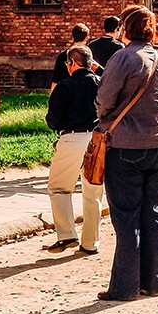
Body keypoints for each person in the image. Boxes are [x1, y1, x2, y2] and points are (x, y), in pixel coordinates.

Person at [95, 6, 158, 302]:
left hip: (127, 145)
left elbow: (105, 99)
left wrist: (104, 115)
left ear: (125, 30)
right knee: (153, 211)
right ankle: (153, 281)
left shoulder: (123, 57)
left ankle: (124, 286)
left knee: (127, 216)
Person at [44, 45, 105, 255]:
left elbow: (53, 120)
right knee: (93, 192)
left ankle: (67, 234)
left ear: (71, 63)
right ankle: (90, 243)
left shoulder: (64, 86)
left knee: (59, 188)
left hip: (71, 138)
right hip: (96, 139)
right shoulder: (101, 82)